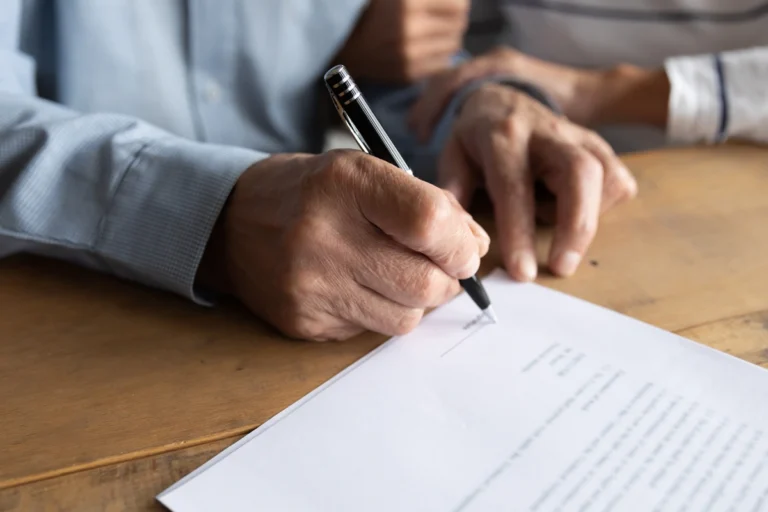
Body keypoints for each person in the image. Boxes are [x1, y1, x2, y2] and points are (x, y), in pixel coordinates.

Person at [0, 0, 634, 341]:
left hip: (322, 317)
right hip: (59, 323)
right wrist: (214, 216)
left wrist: (475, 104)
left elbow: (387, 77)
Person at [411, 0, 768, 154]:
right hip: (532, 165)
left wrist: (594, 93)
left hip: (733, 171)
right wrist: (486, 91)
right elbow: (463, 41)